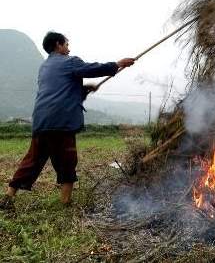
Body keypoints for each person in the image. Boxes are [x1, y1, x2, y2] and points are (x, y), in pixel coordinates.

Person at [0, 32, 135, 210]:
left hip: (41, 121)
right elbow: (92, 69)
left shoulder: (45, 67)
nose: (69, 48)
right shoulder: (69, 61)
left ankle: (9, 196)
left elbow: (60, 92)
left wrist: (84, 89)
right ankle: (65, 202)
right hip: (61, 123)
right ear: (58, 44)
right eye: (66, 44)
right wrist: (117, 64)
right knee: (67, 161)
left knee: (32, 159)